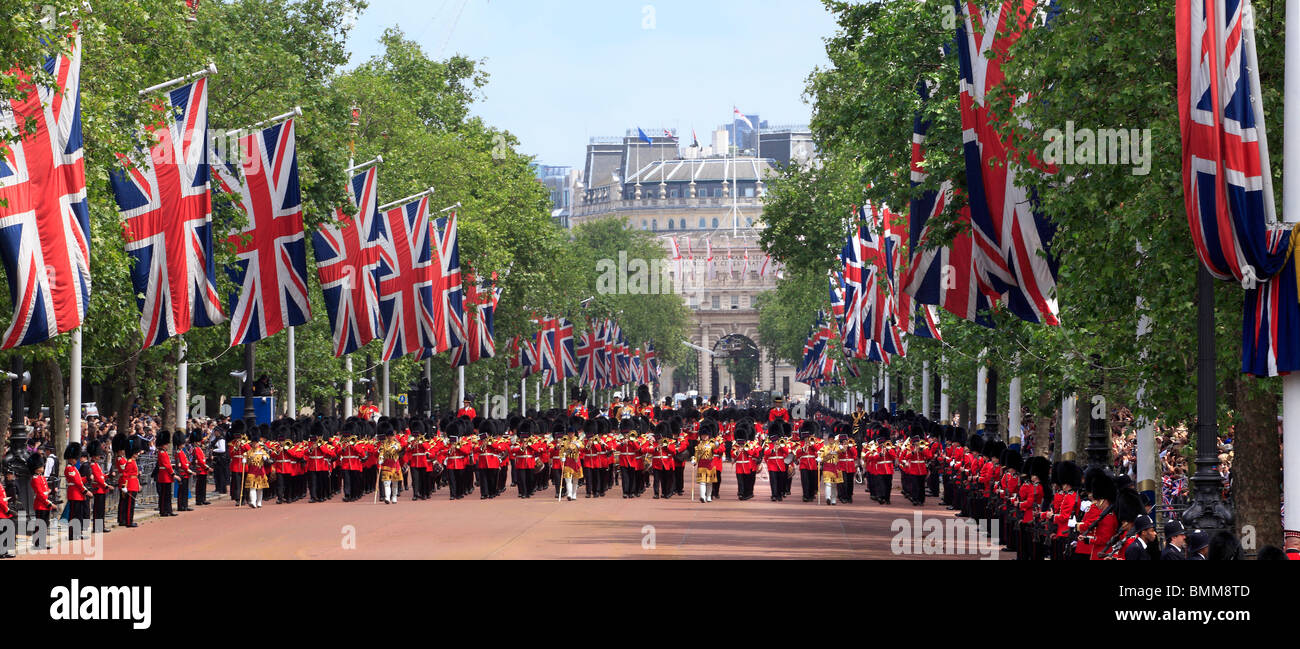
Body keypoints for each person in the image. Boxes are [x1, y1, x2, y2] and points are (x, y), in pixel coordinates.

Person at [62, 443, 91, 540]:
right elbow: (77, 482)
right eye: (75, 458)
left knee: (78, 515)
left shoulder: (74, 468)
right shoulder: (69, 468)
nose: (76, 460)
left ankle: (78, 532)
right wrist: (86, 491)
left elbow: (79, 480)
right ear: (70, 458)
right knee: (74, 515)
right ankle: (72, 534)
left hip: (78, 494)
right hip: (75, 494)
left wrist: (86, 479)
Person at [242, 435, 273, 508]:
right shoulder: (249, 452)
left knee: (260, 488)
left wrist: (265, 457)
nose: (254, 444)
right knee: (252, 487)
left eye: (256, 443)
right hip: (252, 471)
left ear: (258, 444)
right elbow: (245, 460)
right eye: (253, 443)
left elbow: (267, 458)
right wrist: (244, 460)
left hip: (260, 471)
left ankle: (259, 502)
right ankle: (253, 502)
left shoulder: (262, 451)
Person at [155, 432, 175, 517]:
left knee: (168, 494)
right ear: (163, 445)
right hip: (164, 476)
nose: (167, 446)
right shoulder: (161, 453)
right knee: (164, 495)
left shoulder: (164, 452)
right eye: (166, 444)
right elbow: (166, 465)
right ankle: (163, 511)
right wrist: (173, 473)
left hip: (166, 476)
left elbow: (168, 464)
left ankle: (168, 510)